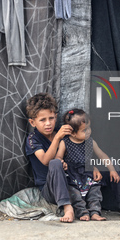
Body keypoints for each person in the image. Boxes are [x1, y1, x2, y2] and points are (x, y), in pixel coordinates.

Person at [56, 108, 120, 220]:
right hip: (73, 177)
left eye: (89, 128)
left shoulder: (90, 142)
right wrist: (61, 162)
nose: (88, 132)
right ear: (72, 133)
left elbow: (103, 156)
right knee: (75, 196)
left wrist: (112, 170)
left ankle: (96, 213)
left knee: (95, 195)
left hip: (88, 176)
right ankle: (82, 213)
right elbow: (58, 157)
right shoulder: (65, 143)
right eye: (84, 130)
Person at [25, 92, 74, 222]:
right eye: (42, 120)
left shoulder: (60, 131)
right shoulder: (33, 139)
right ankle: (67, 208)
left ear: (56, 117)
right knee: (55, 163)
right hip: (49, 190)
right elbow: (46, 160)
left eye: (51, 118)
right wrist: (57, 138)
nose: (48, 123)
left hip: (70, 181)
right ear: (32, 122)